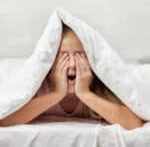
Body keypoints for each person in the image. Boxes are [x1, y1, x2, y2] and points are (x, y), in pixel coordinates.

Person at [0, 24, 145, 129]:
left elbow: (133, 123)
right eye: (63, 56)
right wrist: (56, 94)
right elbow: (5, 120)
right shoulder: (40, 87)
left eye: (79, 55)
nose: (72, 64)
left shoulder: (97, 88)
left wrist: (85, 93)